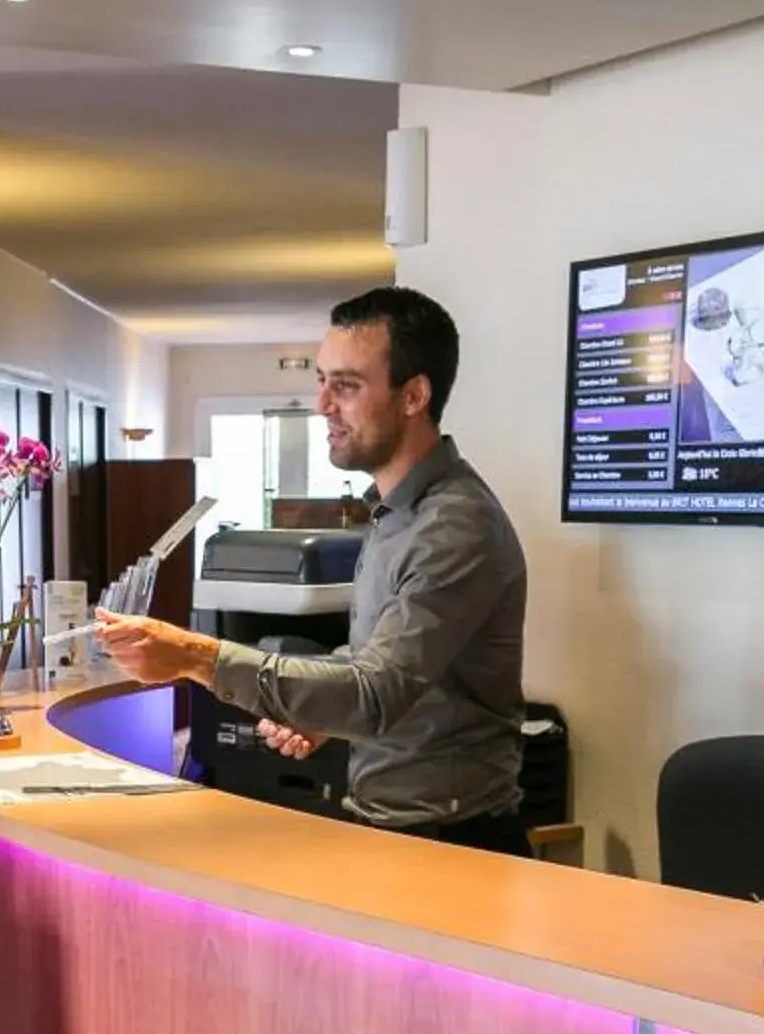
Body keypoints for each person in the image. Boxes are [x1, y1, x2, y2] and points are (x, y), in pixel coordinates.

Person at [96, 286, 531, 854]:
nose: (323, 404)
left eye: (346, 385)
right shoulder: (391, 512)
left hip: (454, 843)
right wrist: (322, 712)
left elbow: (375, 693)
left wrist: (195, 656)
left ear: (413, 396)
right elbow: (374, 659)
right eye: (322, 381)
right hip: (391, 828)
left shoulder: (455, 527)